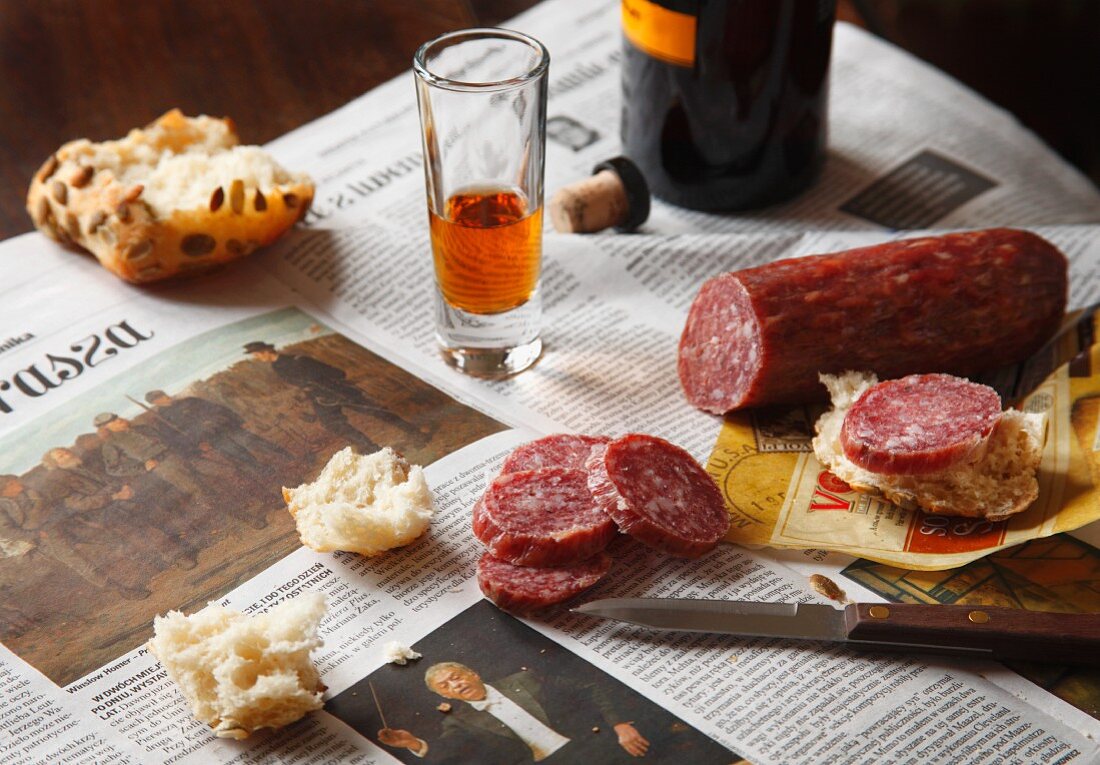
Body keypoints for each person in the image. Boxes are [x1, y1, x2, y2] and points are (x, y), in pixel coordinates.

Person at [378, 662, 650, 763]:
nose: (455, 685)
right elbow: (449, 754)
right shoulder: (460, 722)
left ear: (472, 673)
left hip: (590, 746)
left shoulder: (523, 681)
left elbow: (590, 688)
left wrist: (619, 725)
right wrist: (413, 744)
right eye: (446, 686)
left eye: (456, 677)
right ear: (445, 696)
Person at [244, 341, 425, 453]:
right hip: (319, 397)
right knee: (332, 424)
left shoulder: (298, 360)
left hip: (337, 390)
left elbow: (337, 372)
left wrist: (327, 383)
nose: (258, 358)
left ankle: (416, 434)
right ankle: (372, 450)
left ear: (267, 350)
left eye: (258, 354)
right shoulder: (276, 368)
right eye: (255, 356)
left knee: (377, 412)